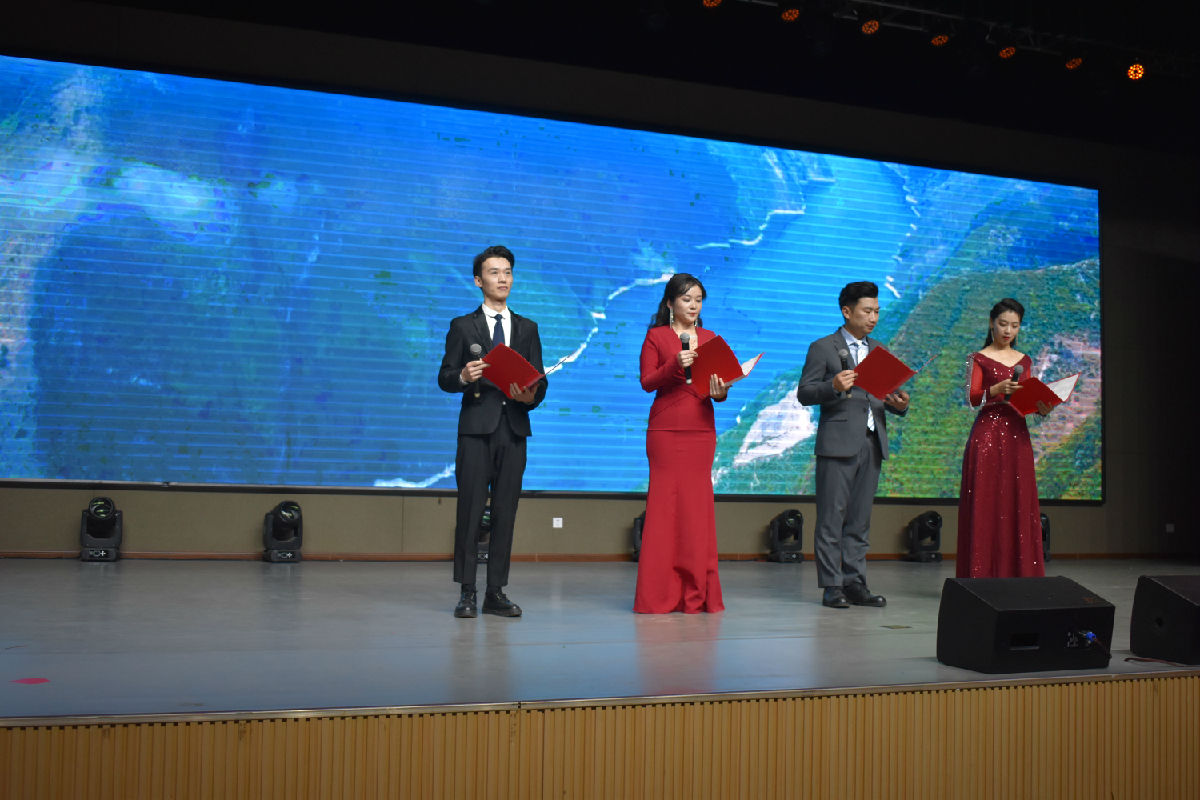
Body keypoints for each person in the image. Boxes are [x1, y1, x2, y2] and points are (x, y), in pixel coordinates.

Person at [437, 245, 547, 618]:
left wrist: (531, 395)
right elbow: (445, 376)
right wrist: (463, 376)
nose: (503, 279)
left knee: (505, 512)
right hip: (475, 430)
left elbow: (539, 380)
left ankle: (495, 591)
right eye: (494, 272)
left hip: (513, 428)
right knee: (470, 511)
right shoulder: (462, 326)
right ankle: (467, 591)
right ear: (478, 280)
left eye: (508, 272)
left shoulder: (528, 328)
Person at [796, 281, 909, 609]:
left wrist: (899, 405)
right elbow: (805, 393)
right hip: (837, 443)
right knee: (831, 519)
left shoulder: (879, 349)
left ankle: (855, 582)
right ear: (847, 311)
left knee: (860, 520)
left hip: (872, 442)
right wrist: (832, 386)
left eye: (877, 311)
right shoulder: (823, 347)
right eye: (867, 311)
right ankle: (832, 586)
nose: (873, 317)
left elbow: (884, 395)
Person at [634, 273, 729, 614]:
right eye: (687, 299)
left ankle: (697, 592)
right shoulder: (656, 336)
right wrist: (674, 365)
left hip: (700, 430)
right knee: (664, 511)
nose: (693, 305)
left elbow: (718, 389)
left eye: (698, 300)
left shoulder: (711, 338)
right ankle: (659, 593)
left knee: (696, 512)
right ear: (670, 303)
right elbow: (647, 382)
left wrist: (721, 390)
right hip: (665, 431)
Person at [957, 298, 1049, 578]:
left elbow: (1027, 400)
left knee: (1017, 501)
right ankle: (981, 574)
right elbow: (971, 399)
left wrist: (1041, 407)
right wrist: (996, 389)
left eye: (1015, 326)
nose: (1008, 331)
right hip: (987, 435)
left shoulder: (1024, 360)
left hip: (1017, 436)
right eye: (1003, 324)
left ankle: (1018, 575)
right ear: (991, 323)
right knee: (985, 502)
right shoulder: (978, 357)